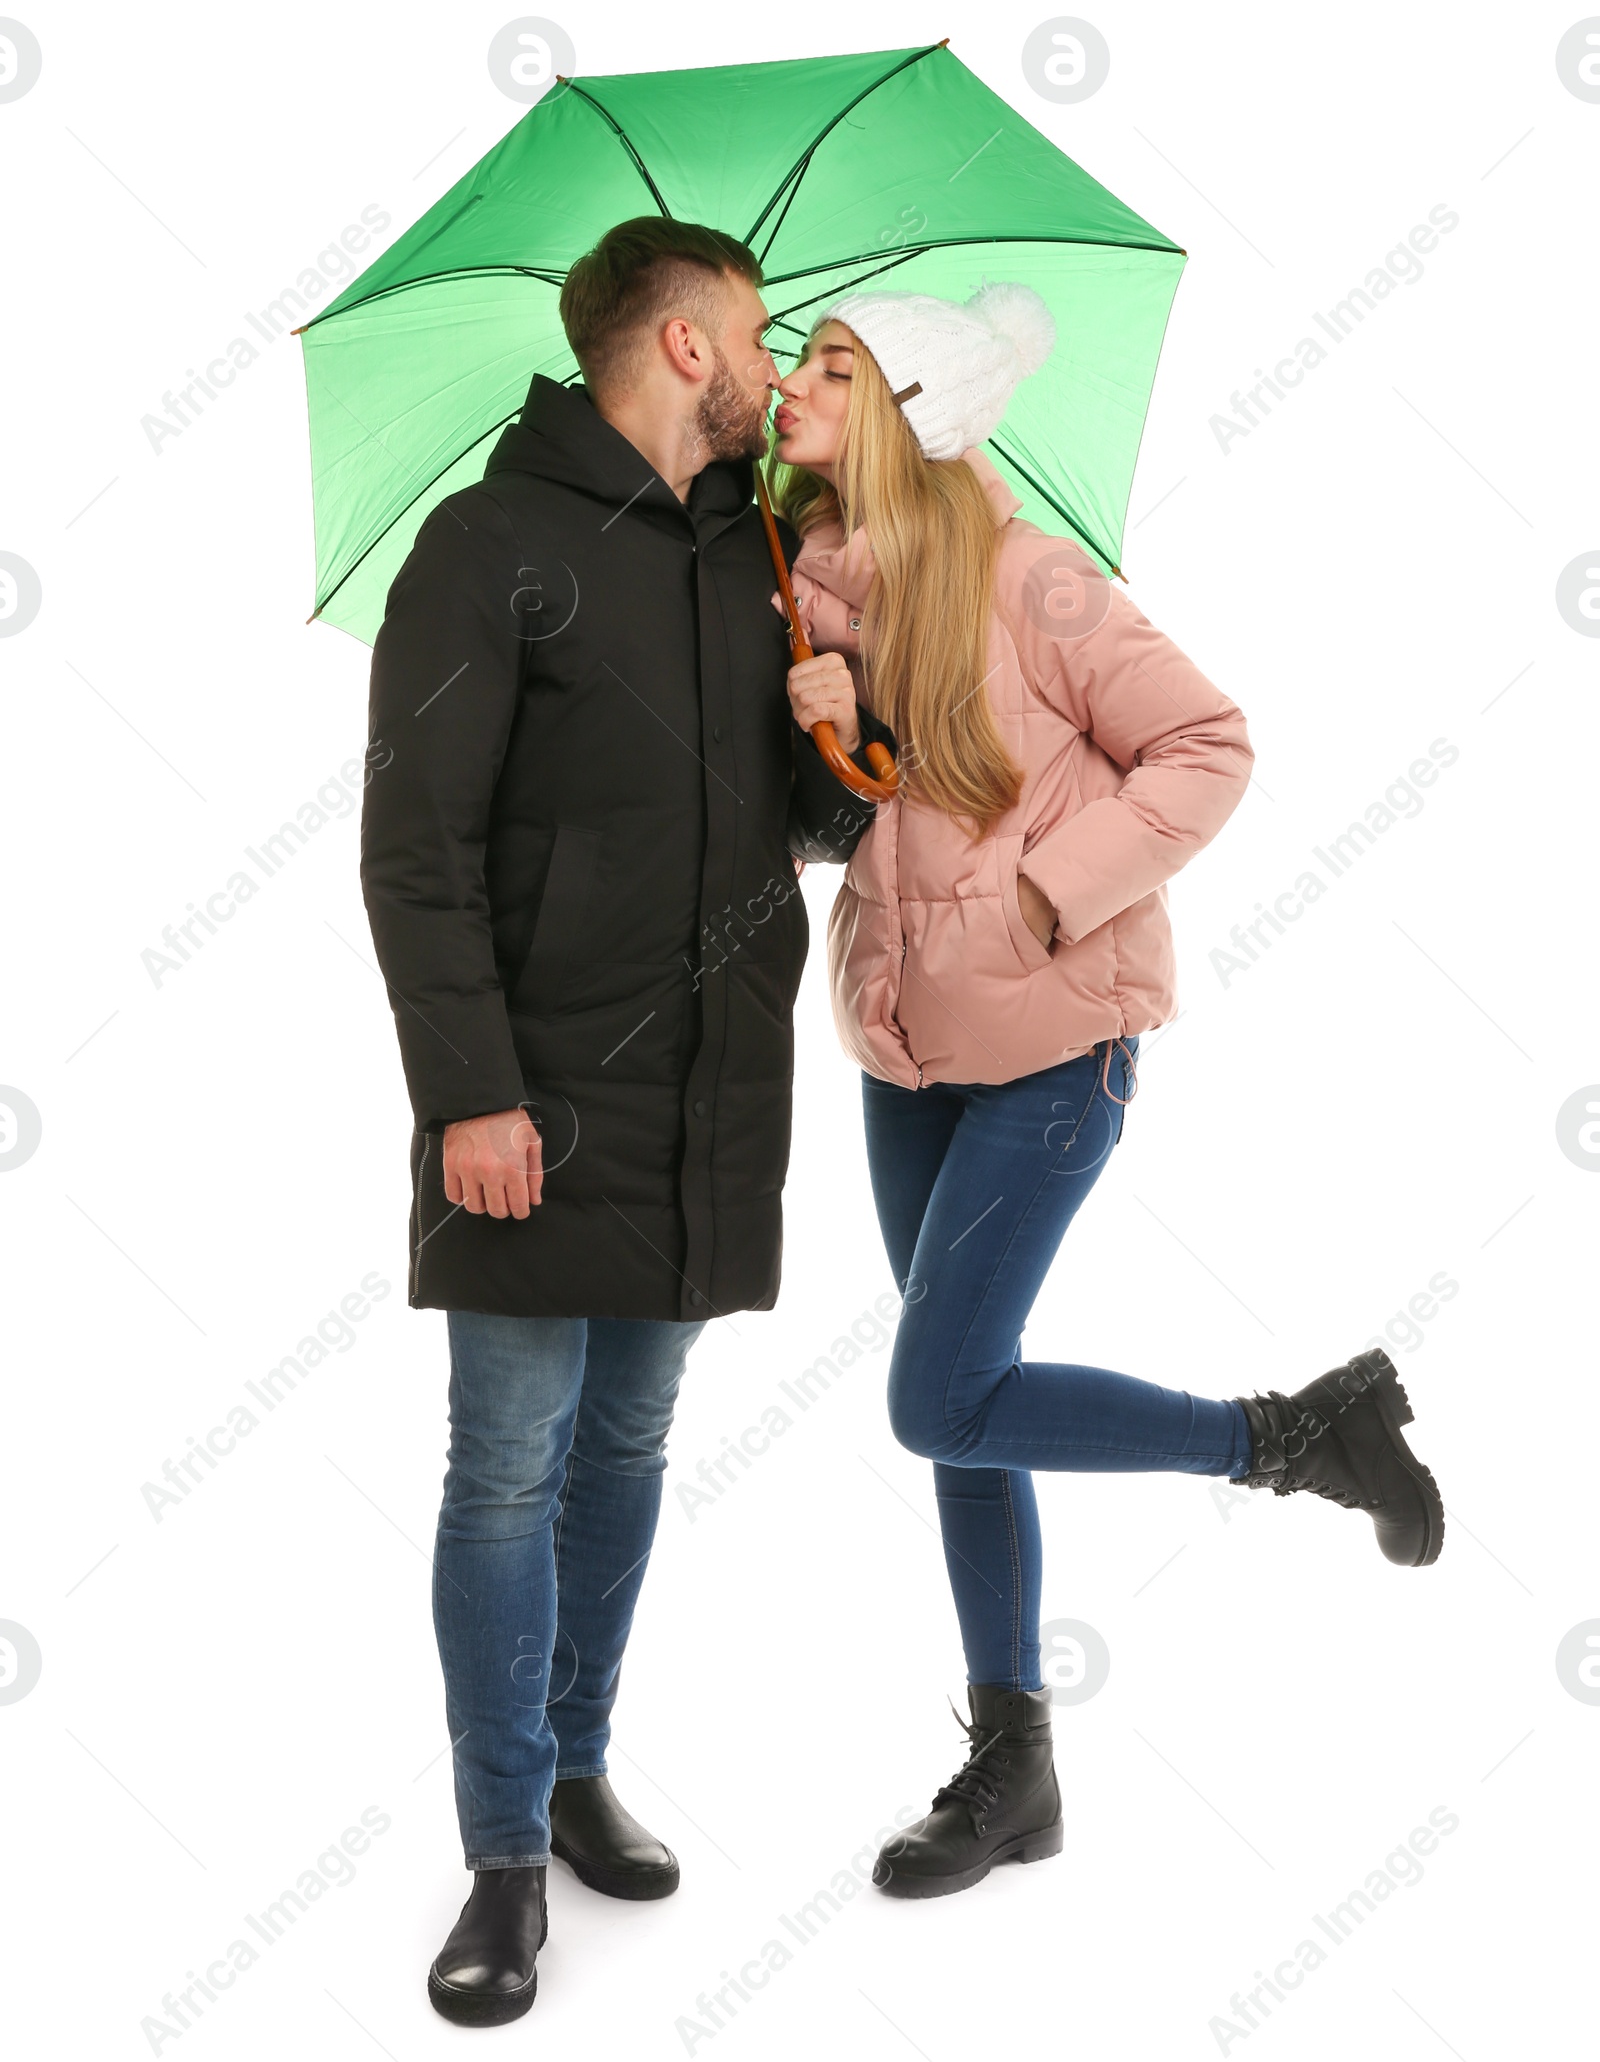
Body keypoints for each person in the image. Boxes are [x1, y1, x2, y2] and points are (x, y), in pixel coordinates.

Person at [770, 280, 1446, 1902]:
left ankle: (1289, 1436)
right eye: (798, 358)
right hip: (904, 1051)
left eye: (833, 363)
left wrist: (1049, 896)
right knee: (969, 1406)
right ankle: (1017, 1776)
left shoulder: (1031, 579)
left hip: (1054, 1050)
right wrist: (824, 739)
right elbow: (836, 829)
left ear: (913, 407)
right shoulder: (802, 593)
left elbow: (1206, 749)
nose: (795, 382)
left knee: (936, 1398)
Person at [360, 217, 888, 2024]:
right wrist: (472, 1098)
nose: (774, 359)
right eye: (755, 334)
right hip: (534, 1099)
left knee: (628, 1455)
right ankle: (504, 1851)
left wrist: (838, 735)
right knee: (506, 1467)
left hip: (711, 1090)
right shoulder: (487, 546)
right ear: (680, 346)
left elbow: (803, 837)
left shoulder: (754, 554)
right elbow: (414, 850)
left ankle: (578, 1765)